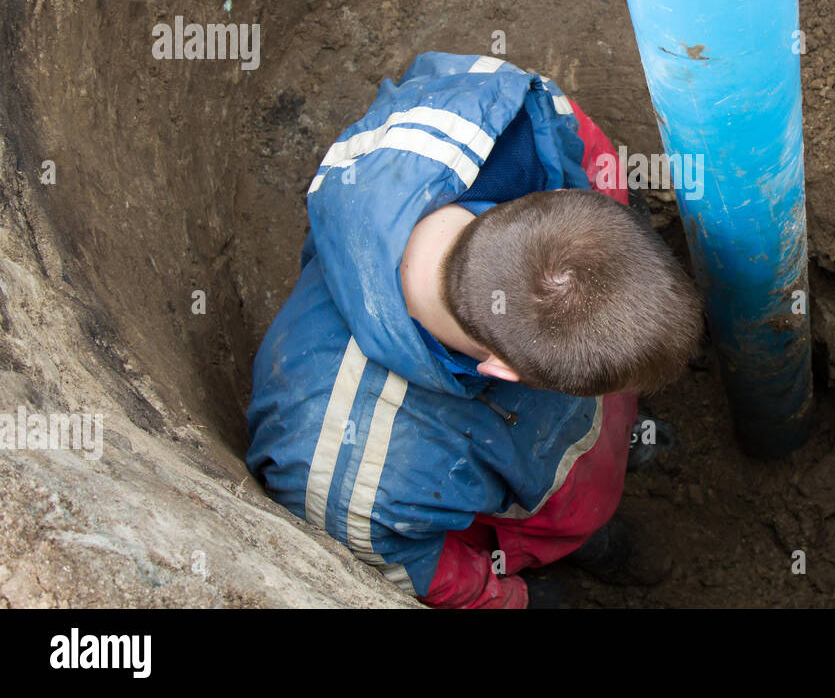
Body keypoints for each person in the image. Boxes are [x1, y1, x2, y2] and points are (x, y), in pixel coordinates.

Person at [246, 50, 703, 608]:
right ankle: (591, 544)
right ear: (502, 372)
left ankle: (617, 456)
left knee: (602, 436)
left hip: (560, 423)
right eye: (604, 387)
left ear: (562, 204)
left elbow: (601, 172)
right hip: (527, 510)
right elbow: (415, 568)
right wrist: (509, 598)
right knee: (572, 525)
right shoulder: (352, 469)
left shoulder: (515, 109)